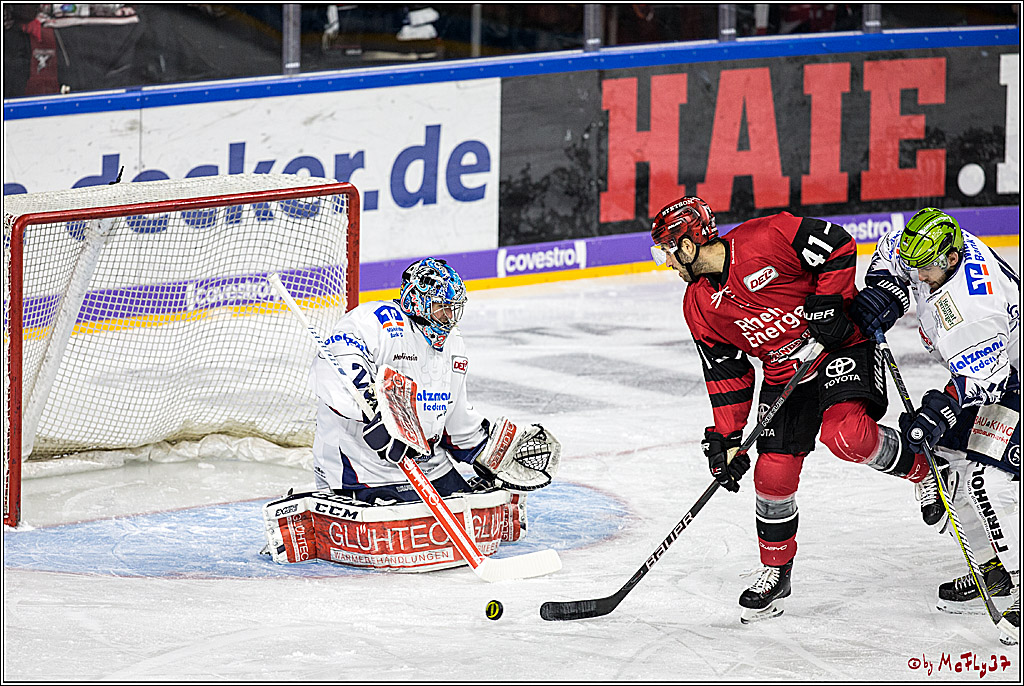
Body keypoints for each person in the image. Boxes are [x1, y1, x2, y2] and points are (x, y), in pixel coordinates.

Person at [650, 196, 942, 624]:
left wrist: (830, 301)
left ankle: (924, 469)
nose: (668, 265)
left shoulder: (766, 237)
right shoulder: (698, 306)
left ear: (689, 246)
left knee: (847, 436)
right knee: (772, 475)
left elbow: (837, 244)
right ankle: (776, 570)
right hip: (785, 374)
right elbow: (727, 375)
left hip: (841, 345)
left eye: (669, 253)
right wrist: (728, 439)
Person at [262, 257, 560, 572]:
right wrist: (376, 414)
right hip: (362, 463)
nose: (449, 317)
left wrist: (488, 449)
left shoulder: (455, 346)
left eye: (454, 308)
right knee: (398, 535)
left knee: (473, 510)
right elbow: (336, 368)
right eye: (441, 307)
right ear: (417, 301)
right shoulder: (377, 321)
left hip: (425, 462)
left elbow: (454, 420)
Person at [849, 208, 1019, 644]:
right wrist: (885, 293)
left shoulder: (972, 309)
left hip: (1007, 379)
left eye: (927, 269)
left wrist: (940, 409)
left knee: (988, 470)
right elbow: (890, 256)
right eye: (917, 266)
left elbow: (985, 378)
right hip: (995, 373)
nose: (919, 276)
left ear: (949, 258)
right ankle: (992, 572)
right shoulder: (935, 250)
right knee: (945, 463)